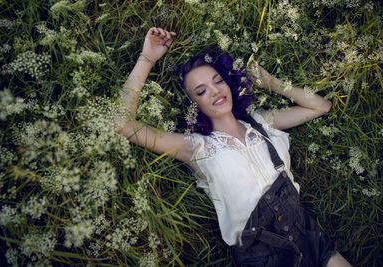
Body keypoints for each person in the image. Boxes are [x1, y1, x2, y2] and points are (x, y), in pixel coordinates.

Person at [116, 27, 352, 266]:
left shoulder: (262, 123)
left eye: (218, 81)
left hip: (307, 236)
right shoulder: (196, 148)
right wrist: (147, 58)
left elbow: (320, 107)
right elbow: (124, 125)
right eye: (201, 91)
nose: (215, 90)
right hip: (262, 257)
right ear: (193, 105)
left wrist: (271, 83)